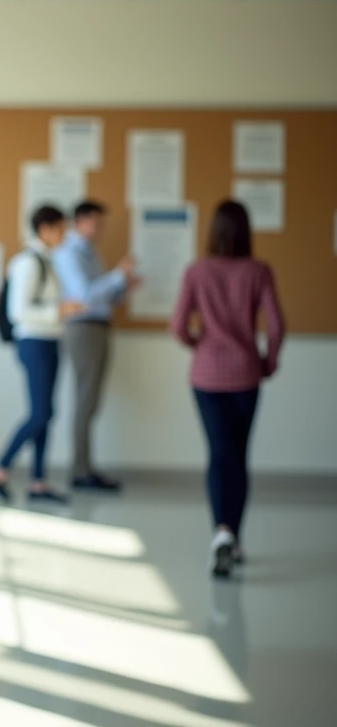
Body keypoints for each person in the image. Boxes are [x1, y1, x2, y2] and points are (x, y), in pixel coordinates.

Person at [171, 200, 284, 578]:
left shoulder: (196, 271)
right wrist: (269, 360)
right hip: (246, 374)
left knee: (218, 454)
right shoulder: (258, 270)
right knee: (239, 455)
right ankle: (234, 537)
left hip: (206, 377)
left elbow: (177, 326)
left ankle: (220, 534)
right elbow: (277, 325)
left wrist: (198, 345)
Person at [0, 206, 82, 504]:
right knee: (40, 413)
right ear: (46, 228)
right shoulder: (28, 262)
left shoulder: (45, 261)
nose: (64, 235)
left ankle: (38, 482)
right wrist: (58, 311)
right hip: (34, 343)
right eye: (61, 228)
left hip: (49, 341)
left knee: (46, 414)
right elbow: (18, 312)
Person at [52, 200, 139, 493]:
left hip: (99, 328)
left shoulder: (91, 253)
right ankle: (80, 471)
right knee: (85, 398)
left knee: (92, 399)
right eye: (97, 223)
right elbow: (85, 294)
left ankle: (86, 467)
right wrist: (116, 276)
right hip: (83, 329)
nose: (101, 229)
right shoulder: (68, 252)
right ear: (81, 221)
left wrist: (122, 285)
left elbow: (102, 295)